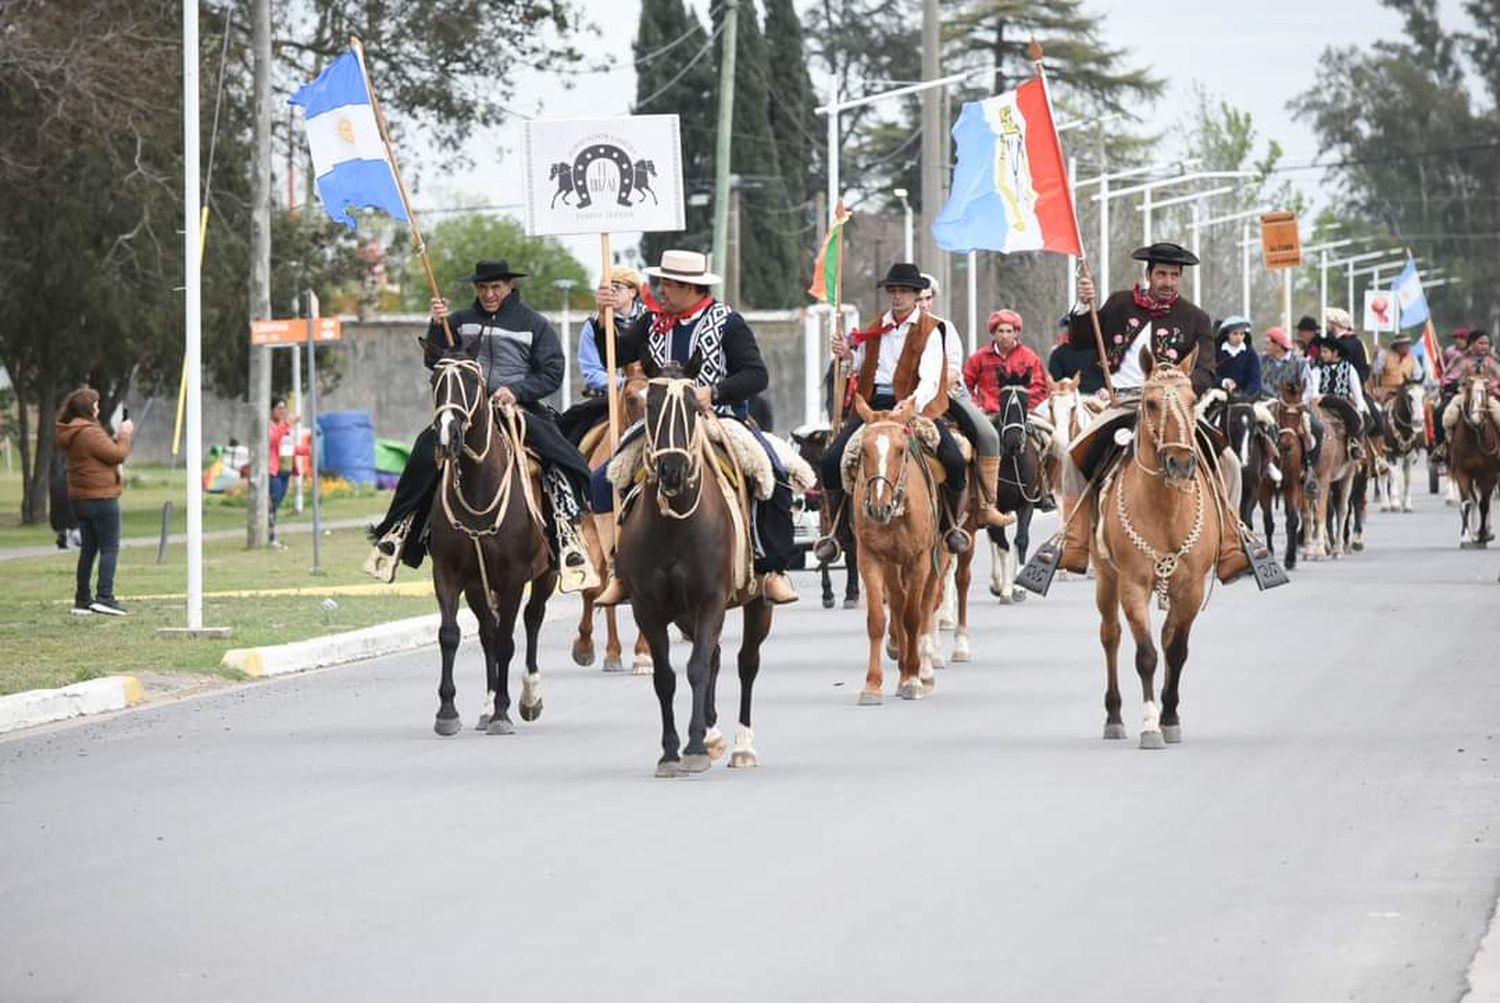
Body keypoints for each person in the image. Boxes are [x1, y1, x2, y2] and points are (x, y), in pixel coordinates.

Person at [366, 259, 598, 590]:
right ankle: (398, 530)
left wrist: (516, 391)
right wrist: (436, 324)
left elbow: (551, 372)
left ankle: (567, 535)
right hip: (464, 411)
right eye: (483, 288)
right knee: (423, 452)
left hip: (518, 408)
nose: (489, 294)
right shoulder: (457, 321)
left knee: (560, 456)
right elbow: (436, 360)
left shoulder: (535, 324)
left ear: (510, 287)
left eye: (496, 287)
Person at [590, 249, 799, 606]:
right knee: (602, 480)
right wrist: (602, 317)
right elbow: (616, 354)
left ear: (689, 287)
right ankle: (620, 568)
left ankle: (771, 568)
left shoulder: (727, 322)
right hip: (661, 425)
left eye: (667, 284)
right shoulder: (653, 321)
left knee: (772, 472)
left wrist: (714, 391)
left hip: (719, 418)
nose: (660, 290)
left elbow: (756, 374)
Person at [1060, 241, 1254, 583]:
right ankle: (1075, 543)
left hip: (1175, 405)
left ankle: (1230, 546)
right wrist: (1082, 303)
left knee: (1230, 464)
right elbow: (1080, 340)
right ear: (1149, 275)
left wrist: (1177, 392)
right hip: (1125, 403)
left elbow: (1206, 370)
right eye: (1162, 274)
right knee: (1072, 457)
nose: (1168, 281)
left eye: (1174, 275)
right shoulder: (1120, 303)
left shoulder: (1195, 318)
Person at [820, 263, 989, 559]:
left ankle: (951, 527)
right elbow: (858, 367)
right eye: (893, 291)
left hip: (915, 406)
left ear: (915, 295)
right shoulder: (875, 327)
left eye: (903, 291)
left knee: (954, 459)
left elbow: (930, 379)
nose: (897, 297)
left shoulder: (932, 330)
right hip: (873, 406)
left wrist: (910, 404)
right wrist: (845, 355)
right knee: (831, 458)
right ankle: (837, 533)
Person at [916, 271, 1010, 528]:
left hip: (944, 392)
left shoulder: (945, 328)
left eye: (927, 298)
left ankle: (987, 504)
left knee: (988, 435)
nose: (923, 304)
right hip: (904, 398)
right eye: (919, 299)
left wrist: (930, 386)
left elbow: (954, 369)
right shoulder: (897, 329)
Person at [55, 388, 133, 616]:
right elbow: (117, 454)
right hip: (101, 497)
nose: (98, 408)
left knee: (88, 549)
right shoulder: (89, 432)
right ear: (88, 408)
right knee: (109, 547)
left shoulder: (72, 430)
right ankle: (105, 597)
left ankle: (83, 599)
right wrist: (125, 434)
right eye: (96, 404)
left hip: (81, 498)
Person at [558, 265, 646, 446]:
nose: (610, 292)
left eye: (617, 287)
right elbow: (592, 371)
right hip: (608, 398)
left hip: (648, 396)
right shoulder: (593, 326)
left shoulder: (652, 320)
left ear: (632, 292)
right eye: (605, 288)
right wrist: (622, 385)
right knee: (571, 425)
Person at [963, 309, 1048, 413]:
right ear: (993, 333)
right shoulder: (978, 358)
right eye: (1000, 331)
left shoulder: (1029, 357)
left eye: (1009, 331)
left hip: (1022, 414)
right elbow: (965, 385)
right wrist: (977, 405)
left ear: (1016, 333)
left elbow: (1040, 387)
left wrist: (1024, 403)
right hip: (988, 415)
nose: (1004, 336)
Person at [1310, 333, 1370, 462]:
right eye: (1321, 352)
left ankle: (1356, 442)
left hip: (1343, 402)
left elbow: (1356, 390)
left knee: (1360, 418)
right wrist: (1319, 397)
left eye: (1325, 352)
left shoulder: (1349, 368)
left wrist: (1360, 408)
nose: (1322, 355)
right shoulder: (1318, 369)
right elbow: (1314, 391)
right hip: (1322, 402)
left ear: (1335, 352)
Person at [1439, 329, 1500, 445]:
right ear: (1471, 343)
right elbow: (1446, 379)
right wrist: (1455, 385)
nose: (1484, 347)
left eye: (1486, 344)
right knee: (1443, 415)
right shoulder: (1460, 359)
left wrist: (1494, 388)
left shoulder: (1493, 360)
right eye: (1481, 343)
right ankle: (1442, 447)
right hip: (1464, 396)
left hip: (1489, 397)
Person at [267, 397, 306, 548]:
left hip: (285, 471)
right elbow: (274, 440)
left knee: (276, 505)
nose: (281, 411)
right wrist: (287, 423)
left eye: (283, 408)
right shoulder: (270, 426)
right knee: (272, 504)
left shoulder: (286, 428)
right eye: (278, 407)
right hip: (273, 471)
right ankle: (270, 537)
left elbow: (288, 448)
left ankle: (272, 535)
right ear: (272, 410)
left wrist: (305, 453)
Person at [1047, 312, 1105, 395]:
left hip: (1100, 399)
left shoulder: (1102, 352)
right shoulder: (1058, 354)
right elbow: (1056, 384)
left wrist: (1108, 391)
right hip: (1070, 399)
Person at [1214, 316, 1263, 399]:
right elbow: (1210, 375)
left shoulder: (1250, 354)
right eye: (1235, 333)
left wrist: (1244, 395)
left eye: (1242, 334)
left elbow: (1254, 380)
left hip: (1246, 397)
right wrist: (1223, 382)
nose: (1239, 337)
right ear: (1227, 334)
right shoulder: (1216, 352)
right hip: (1219, 394)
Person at [1323, 308, 1371, 386]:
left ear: (1334, 323)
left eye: (1328, 321)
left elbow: (1363, 369)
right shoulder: (1330, 341)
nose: (1326, 325)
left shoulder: (1356, 343)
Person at [1371, 332, 1422, 403]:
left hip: (1405, 392)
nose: (1408, 347)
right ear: (1398, 346)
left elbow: (1418, 375)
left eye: (1408, 344)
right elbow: (1375, 372)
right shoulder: (1384, 355)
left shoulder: (1412, 358)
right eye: (1405, 345)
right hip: (1387, 392)